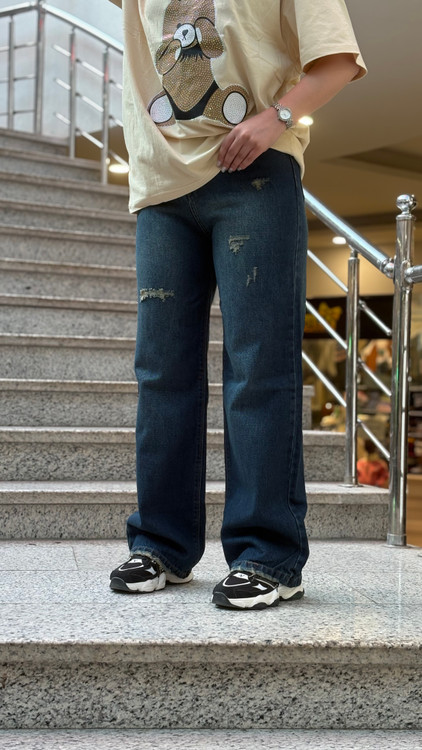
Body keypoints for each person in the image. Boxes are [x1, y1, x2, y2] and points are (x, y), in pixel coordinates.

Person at [108, 0, 367, 610]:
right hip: (162, 183)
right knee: (161, 370)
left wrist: (277, 117)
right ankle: (161, 543)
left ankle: (269, 554)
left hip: (254, 171)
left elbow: (336, 59)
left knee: (258, 366)